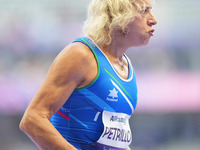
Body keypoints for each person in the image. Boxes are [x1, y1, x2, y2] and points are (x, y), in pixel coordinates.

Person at [19, 0, 157, 149]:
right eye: (144, 11)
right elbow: (32, 120)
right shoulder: (80, 55)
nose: (154, 20)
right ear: (119, 16)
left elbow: (115, 142)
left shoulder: (126, 65)